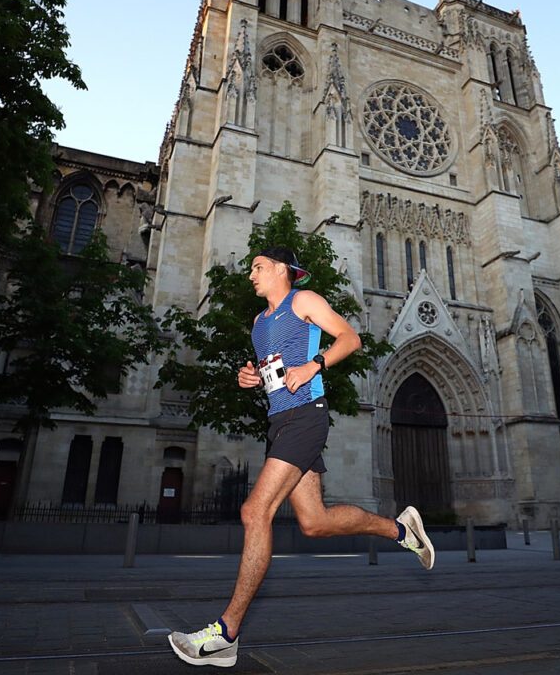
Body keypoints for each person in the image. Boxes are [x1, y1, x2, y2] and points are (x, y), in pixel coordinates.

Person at [168, 246, 435, 668]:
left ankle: (226, 633)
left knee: (255, 512)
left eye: (258, 267)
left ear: (280, 270)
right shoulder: (258, 323)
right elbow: (273, 370)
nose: (251, 275)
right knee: (314, 522)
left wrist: (316, 365)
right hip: (279, 421)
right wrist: (250, 377)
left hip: (306, 418)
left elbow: (351, 338)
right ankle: (401, 530)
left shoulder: (304, 302)